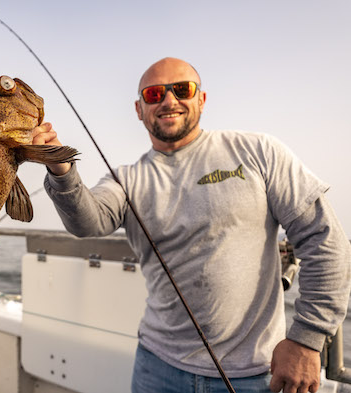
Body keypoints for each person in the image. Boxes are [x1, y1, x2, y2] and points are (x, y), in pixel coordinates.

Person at [31, 57, 351, 393]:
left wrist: (306, 340)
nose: (169, 100)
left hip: (255, 374)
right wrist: (61, 169)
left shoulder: (258, 151)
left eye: (182, 89)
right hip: (156, 367)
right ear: (139, 109)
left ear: (201, 99)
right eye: (154, 94)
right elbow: (88, 221)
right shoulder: (125, 179)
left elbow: (323, 237)